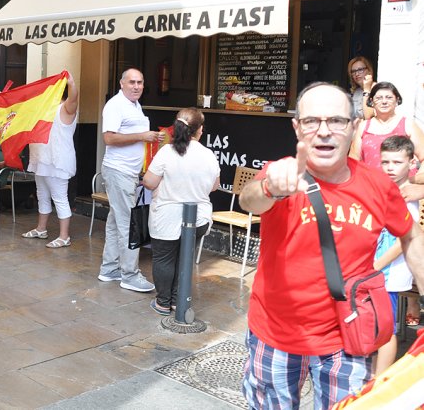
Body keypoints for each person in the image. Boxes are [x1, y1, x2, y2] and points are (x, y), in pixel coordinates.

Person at [239, 82, 424, 409]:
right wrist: (270, 187)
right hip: (275, 335)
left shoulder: (379, 185)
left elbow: (411, 236)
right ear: (297, 128)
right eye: (312, 121)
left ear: (354, 126)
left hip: (348, 339)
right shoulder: (282, 172)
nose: (324, 131)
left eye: (336, 121)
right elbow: (249, 200)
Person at [142, 108, 220, 315]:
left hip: (166, 217)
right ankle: (178, 301)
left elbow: (149, 182)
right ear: (199, 130)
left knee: (164, 259)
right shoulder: (208, 155)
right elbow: (214, 186)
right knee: (184, 257)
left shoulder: (167, 152)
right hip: (199, 218)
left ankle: (163, 302)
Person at [97, 68, 163, 293]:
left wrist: (148, 138)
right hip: (118, 171)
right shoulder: (115, 105)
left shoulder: (134, 105)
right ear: (121, 84)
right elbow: (109, 138)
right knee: (128, 224)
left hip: (127, 172)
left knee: (117, 222)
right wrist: (142, 136)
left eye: (140, 82)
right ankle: (130, 274)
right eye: (132, 82)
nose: (136, 86)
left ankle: (109, 268)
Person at [372, 135, 418, 376]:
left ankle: (379, 383)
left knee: (386, 331)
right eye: (386, 162)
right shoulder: (383, 189)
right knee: (374, 326)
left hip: (387, 274)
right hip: (374, 272)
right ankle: (371, 376)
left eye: (397, 162)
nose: (390, 168)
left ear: (411, 163)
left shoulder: (408, 197)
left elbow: (403, 242)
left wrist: (376, 265)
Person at [21, 73, 79, 248]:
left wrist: (72, 84)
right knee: (42, 195)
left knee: (60, 198)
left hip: (57, 162)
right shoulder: (41, 111)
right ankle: (41, 229)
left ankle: (64, 236)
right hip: (41, 160)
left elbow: (74, 99)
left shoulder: (65, 109)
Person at [349, 81, 424, 175]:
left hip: (401, 187)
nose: (384, 101)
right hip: (372, 186)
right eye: (379, 98)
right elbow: (353, 161)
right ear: (372, 101)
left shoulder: (407, 124)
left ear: (397, 100)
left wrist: (414, 182)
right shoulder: (363, 127)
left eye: (389, 97)